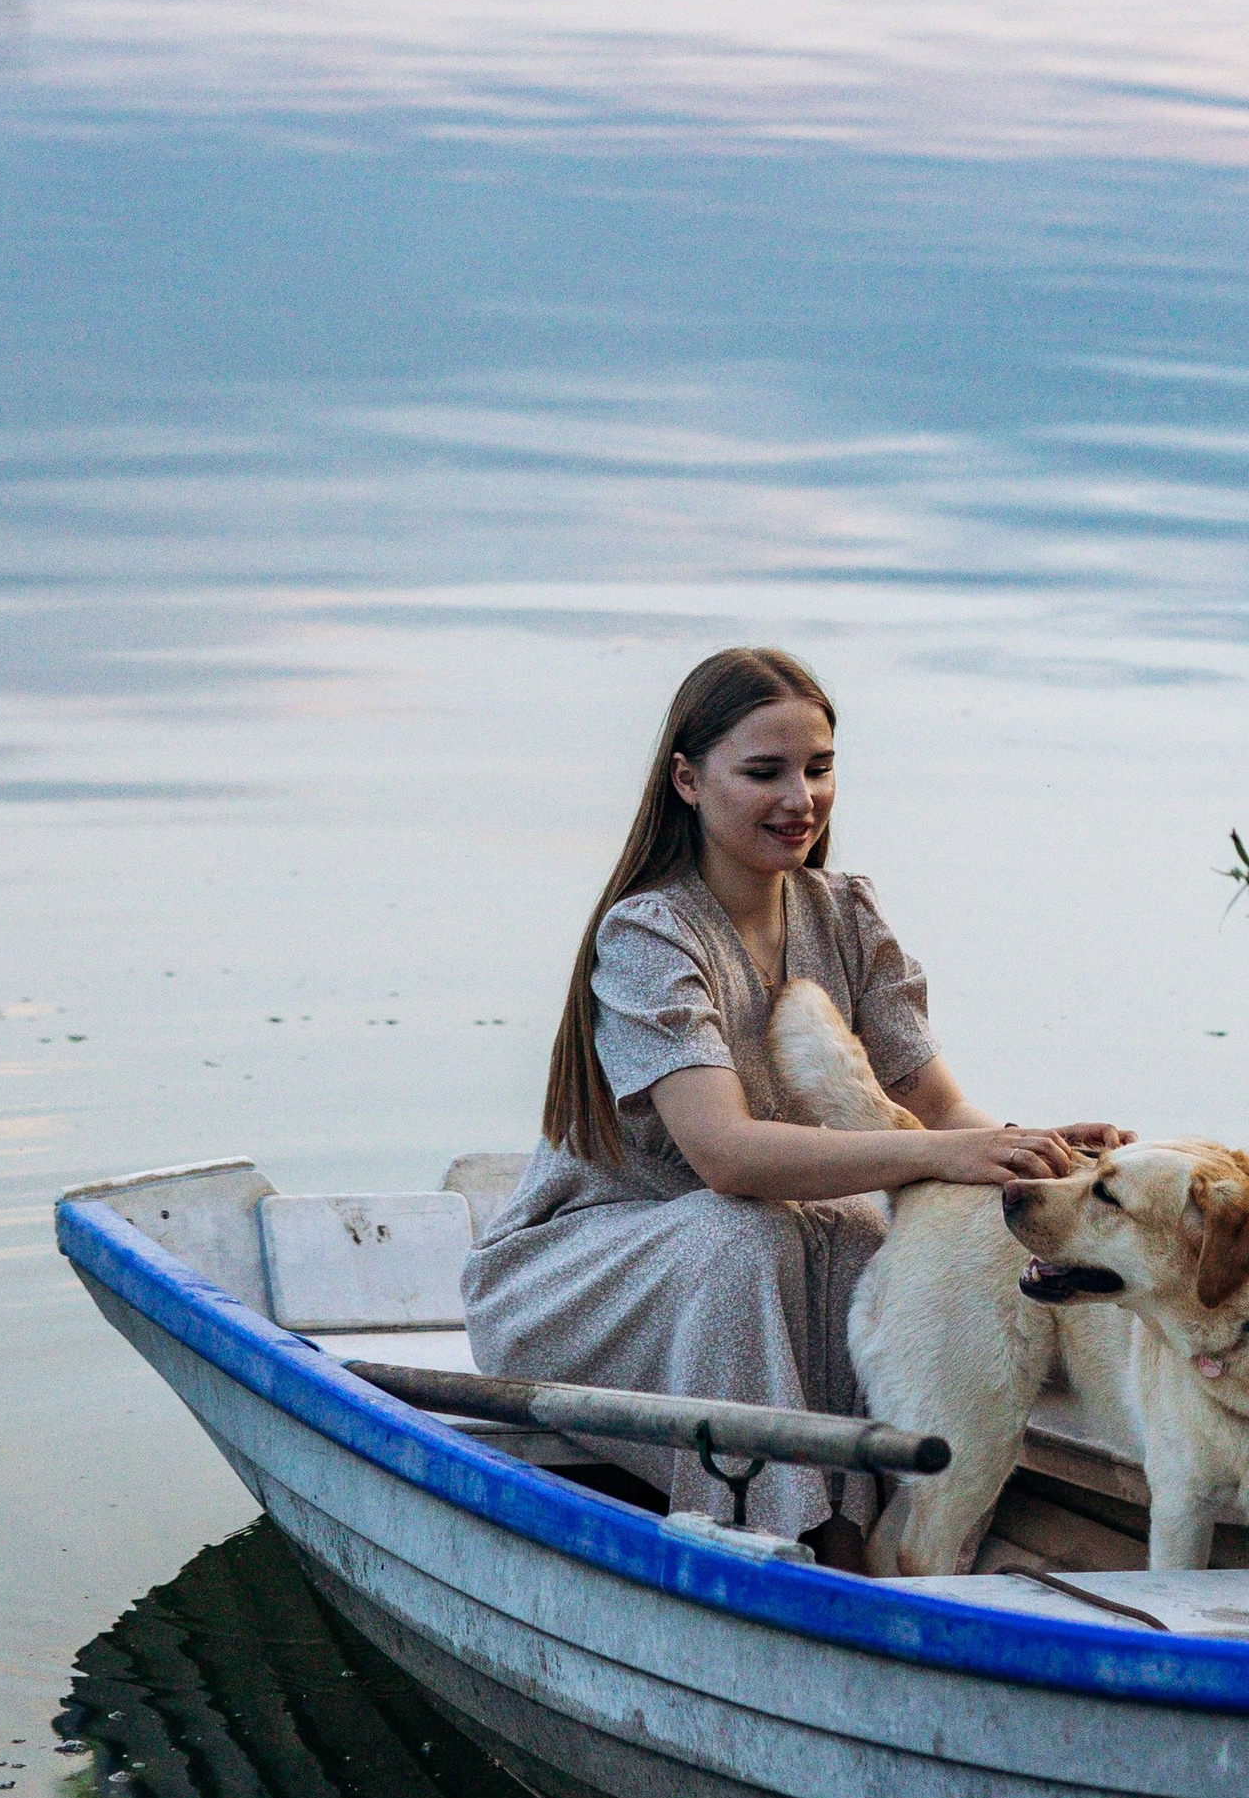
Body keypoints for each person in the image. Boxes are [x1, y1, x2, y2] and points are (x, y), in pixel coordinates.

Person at [464, 645, 1128, 1562]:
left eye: (818, 769)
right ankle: (768, 1540)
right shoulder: (649, 933)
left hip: (762, 1246)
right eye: (764, 772)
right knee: (750, 1235)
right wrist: (941, 1156)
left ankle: (874, 1528)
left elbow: (934, 1107)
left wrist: (1037, 1150)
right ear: (689, 780)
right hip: (590, 1278)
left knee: (873, 1238)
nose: (801, 798)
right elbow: (726, 1157)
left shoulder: (845, 914)